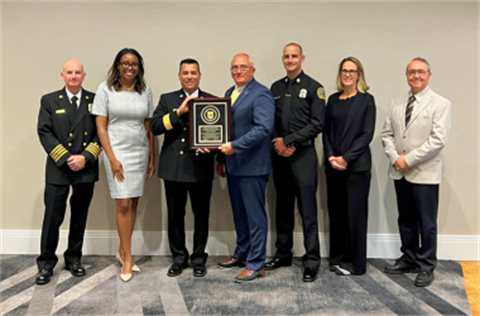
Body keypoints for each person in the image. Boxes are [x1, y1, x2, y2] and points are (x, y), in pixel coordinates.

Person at [381, 57, 451, 287]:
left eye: (421, 72)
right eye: (412, 72)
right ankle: (409, 258)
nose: (416, 76)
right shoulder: (397, 102)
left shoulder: (441, 104)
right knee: (406, 219)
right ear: (406, 75)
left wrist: (408, 159)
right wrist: (396, 159)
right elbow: (387, 134)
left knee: (426, 222)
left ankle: (426, 265)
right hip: (400, 171)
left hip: (425, 173)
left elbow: (438, 140)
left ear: (429, 75)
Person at [92, 48, 155, 282]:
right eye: (125, 63)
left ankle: (122, 249)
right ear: (117, 65)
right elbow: (101, 128)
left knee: (134, 202)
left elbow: (148, 128)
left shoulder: (145, 90)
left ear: (139, 68)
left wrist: (151, 158)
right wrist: (112, 159)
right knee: (123, 204)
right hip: (117, 151)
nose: (130, 68)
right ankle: (128, 258)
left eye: (135, 64)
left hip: (140, 152)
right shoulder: (105, 89)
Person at [36, 59, 100, 285]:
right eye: (69, 72)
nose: (74, 76)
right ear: (62, 75)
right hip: (59, 168)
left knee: (79, 216)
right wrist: (66, 158)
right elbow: (44, 132)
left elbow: (100, 132)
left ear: (84, 75)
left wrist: (86, 157)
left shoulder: (95, 100)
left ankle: (74, 259)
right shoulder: (49, 100)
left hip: (85, 167)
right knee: (52, 216)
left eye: (78, 73)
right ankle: (45, 264)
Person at [150, 58, 215, 278]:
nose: (189, 76)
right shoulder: (168, 99)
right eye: (185, 73)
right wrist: (177, 113)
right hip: (174, 168)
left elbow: (220, 135)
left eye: (193, 72)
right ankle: (179, 259)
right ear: (179, 76)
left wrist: (212, 149)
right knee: (175, 217)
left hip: (200, 167)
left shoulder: (212, 101)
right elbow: (156, 127)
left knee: (201, 216)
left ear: (200, 75)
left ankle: (198, 259)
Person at [266, 43, 325, 282]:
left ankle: (311, 261)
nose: (290, 60)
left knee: (308, 211)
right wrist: (277, 142)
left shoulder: (314, 88)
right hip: (279, 155)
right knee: (283, 207)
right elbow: (269, 120)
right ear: (283, 59)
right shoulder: (276, 87)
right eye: (286, 56)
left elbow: (317, 124)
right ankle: (283, 254)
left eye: (294, 56)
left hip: (303, 156)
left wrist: (288, 141)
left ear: (302, 58)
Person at [216, 53, 275, 283]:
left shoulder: (261, 93)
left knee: (255, 217)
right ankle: (242, 254)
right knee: (240, 215)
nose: (238, 71)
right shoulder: (230, 93)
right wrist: (221, 159)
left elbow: (263, 128)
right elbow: (226, 129)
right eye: (234, 67)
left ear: (253, 70)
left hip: (252, 166)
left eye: (243, 67)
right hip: (233, 165)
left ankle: (256, 264)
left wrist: (235, 147)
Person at [323, 57, 376, 276]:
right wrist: (331, 157)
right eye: (344, 70)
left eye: (352, 71)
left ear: (359, 75)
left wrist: (346, 158)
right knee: (336, 215)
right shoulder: (333, 100)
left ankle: (356, 264)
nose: (347, 74)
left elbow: (366, 135)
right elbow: (325, 132)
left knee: (355, 216)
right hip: (333, 166)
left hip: (356, 168)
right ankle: (337, 258)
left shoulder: (367, 100)